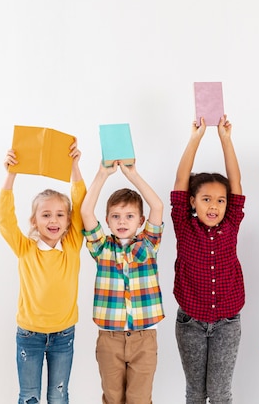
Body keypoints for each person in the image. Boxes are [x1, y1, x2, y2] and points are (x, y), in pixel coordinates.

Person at [0, 143, 85, 404]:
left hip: (63, 336)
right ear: (34, 221)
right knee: (30, 396)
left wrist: (74, 168)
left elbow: (81, 206)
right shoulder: (25, 249)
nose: (53, 220)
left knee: (58, 396)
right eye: (46, 215)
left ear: (68, 220)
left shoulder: (71, 246)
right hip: (29, 336)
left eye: (60, 215)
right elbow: (4, 218)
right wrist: (11, 174)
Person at [171, 115, 245, 404]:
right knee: (196, 393)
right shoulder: (183, 223)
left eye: (220, 200)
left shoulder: (232, 224)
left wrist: (226, 139)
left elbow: (235, 182)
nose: (214, 205)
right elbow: (180, 181)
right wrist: (196, 138)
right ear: (192, 201)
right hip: (190, 321)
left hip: (227, 321)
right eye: (206, 199)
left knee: (220, 393)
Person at [81, 159, 165, 404]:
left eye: (129, 216)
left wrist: (133, 175)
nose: (122, 221)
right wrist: (102, 174)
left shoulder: (148, 245)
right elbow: (86, 211)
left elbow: (157, 206)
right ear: (107, 220)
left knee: (139, 399)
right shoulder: (102, 248)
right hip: (110, 338)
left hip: (144, 337)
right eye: (115, 216)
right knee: (112, 398)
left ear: (140, 221)